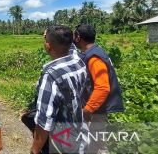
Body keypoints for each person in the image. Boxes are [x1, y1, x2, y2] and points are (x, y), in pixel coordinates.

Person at [30, 26, 88, 154]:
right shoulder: (79, 61)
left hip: (60, 138)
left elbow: (44, 120)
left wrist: (35, 150)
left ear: (47, 46)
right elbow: (69, 46)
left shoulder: (51, 76)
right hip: (79, 129)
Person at [73, 24, 124, 153]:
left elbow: (102, 88)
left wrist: (88, 109)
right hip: (96, 108)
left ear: (78, 37)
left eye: (74, 35)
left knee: (96, 144)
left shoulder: (94, 58)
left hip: (96, 111)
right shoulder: (94, 51)